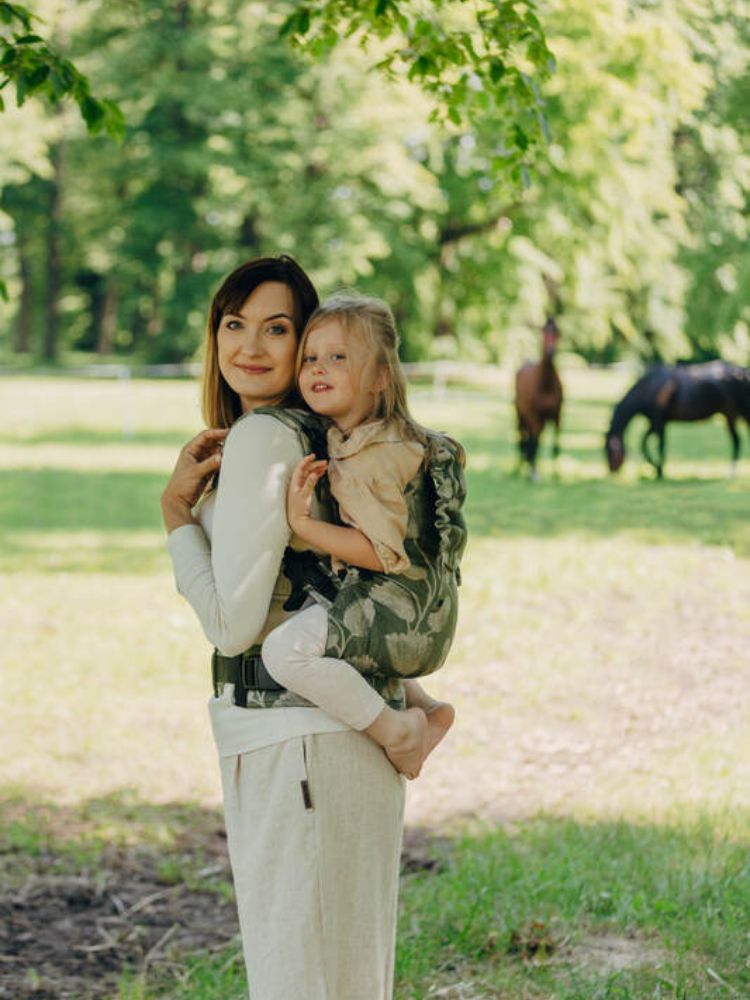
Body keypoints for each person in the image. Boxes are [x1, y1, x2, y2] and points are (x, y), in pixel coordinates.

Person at [161, 257, 406, 1000]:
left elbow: (234, 625)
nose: (250, 347)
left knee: (301, 982)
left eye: (277, 329)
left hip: (296, 739)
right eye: (234, 325)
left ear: (306, 344)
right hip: (326, 736)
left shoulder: (266, 437)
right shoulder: (322, 429)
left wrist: (176, 518)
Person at [261, 293, 461, 779]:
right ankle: (428, 709)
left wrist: (303, 524)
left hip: (404, 614)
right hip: (426, 609)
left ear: (379, 378)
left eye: (338, 357)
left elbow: (382, 553)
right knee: (325, 608)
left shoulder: (376, 456)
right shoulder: (371, 434)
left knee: (284, 652)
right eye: (310, 357)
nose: (317, 368)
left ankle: (398, 731)